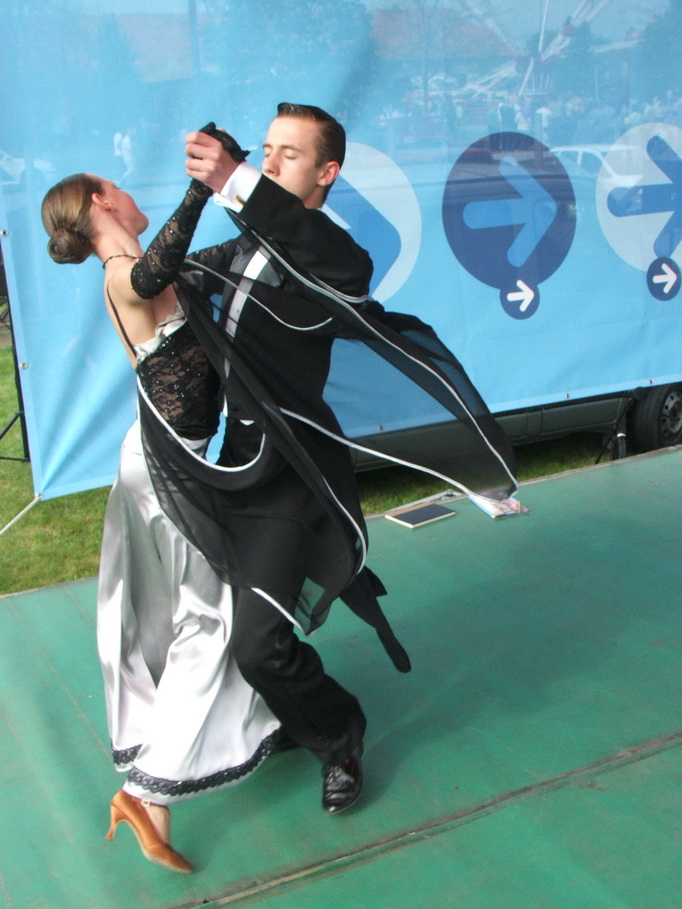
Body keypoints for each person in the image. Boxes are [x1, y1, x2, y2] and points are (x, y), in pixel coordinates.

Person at [40, 172, 282, 873]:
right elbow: (153, 271)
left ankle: (155, 798)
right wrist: (200, 190)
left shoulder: (148, 269)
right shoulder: (123, 273)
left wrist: (263, 201)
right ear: (99, 204)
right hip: (164, 472)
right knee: (209, 620)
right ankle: (146, 791)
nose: (129, 192)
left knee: (186, 617)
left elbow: (203, 263)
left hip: (170, 463)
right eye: (116, 187)